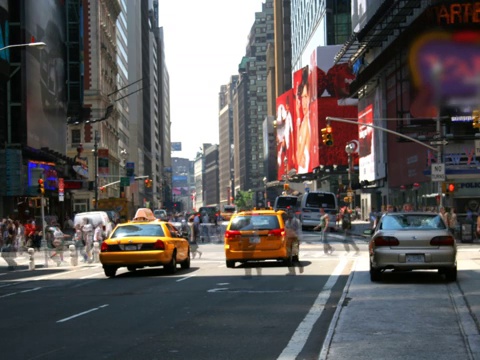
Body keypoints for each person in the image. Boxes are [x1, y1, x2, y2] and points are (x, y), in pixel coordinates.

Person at [296, 66, 312, 174]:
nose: (304, 102)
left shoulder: (309, 121)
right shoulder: (302, 122)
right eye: (303, 97)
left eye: (306, 96)